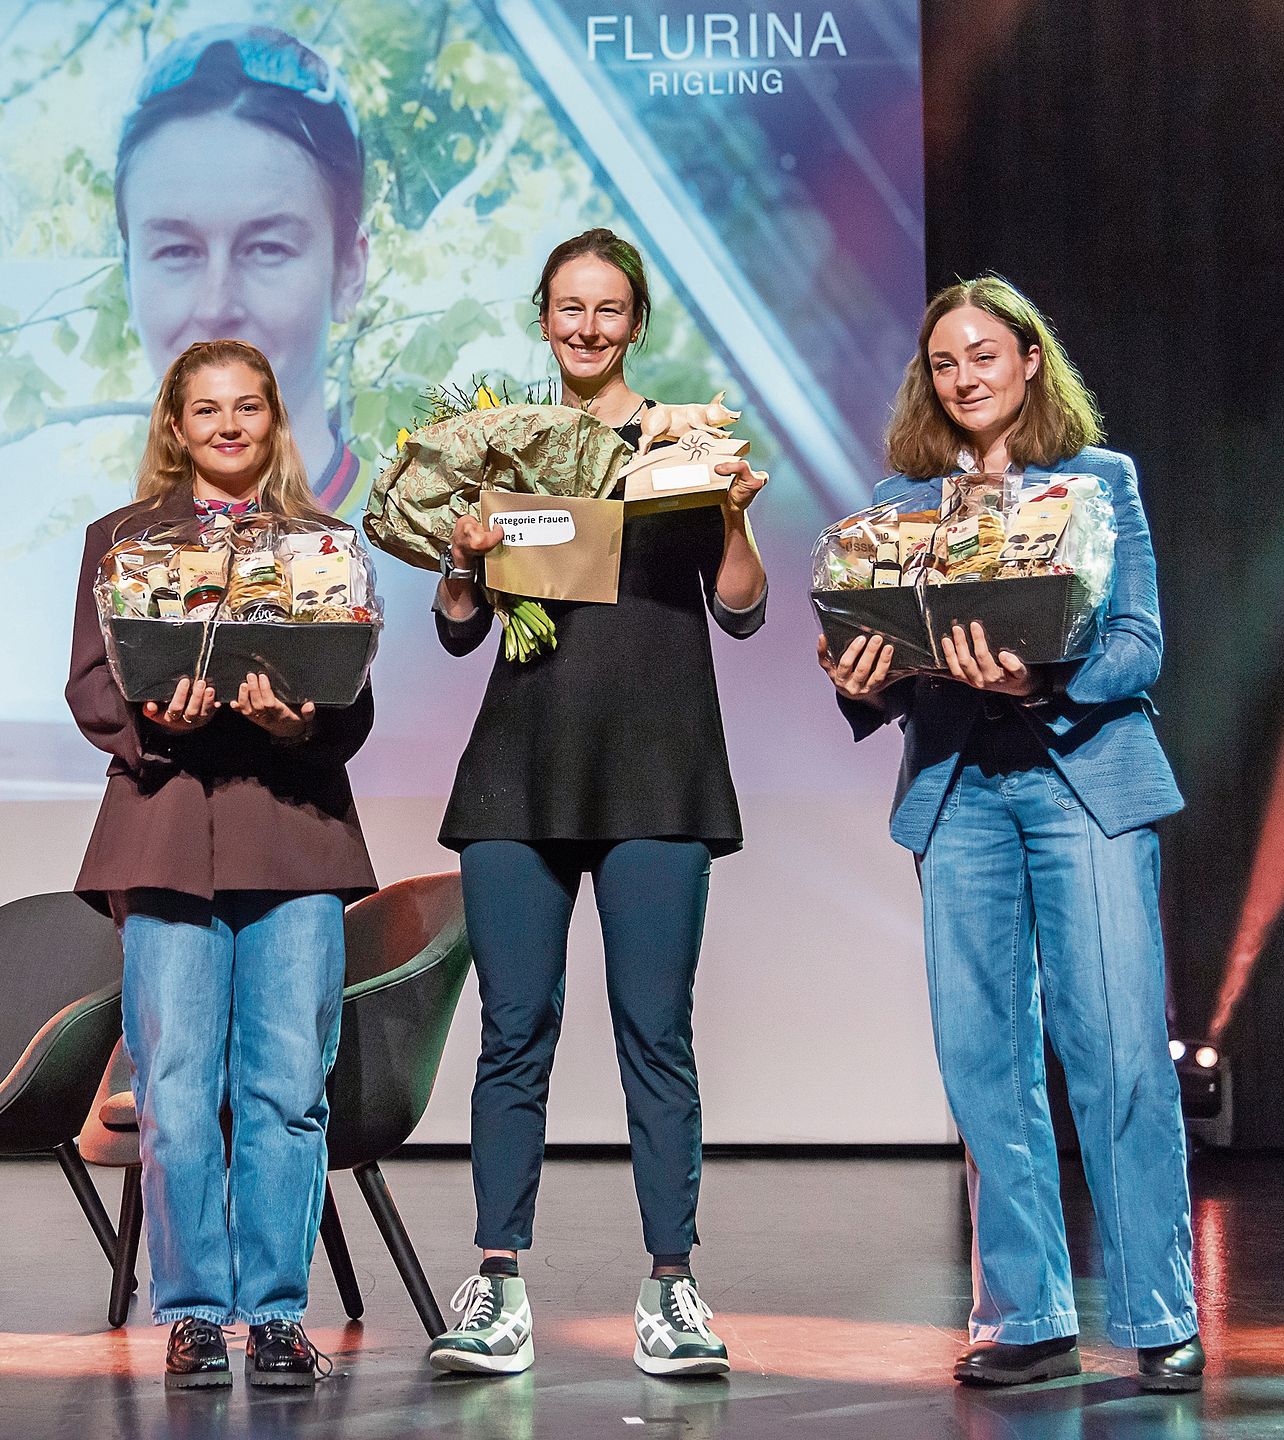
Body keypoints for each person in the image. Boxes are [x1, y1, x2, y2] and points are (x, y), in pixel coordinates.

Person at [818, 276, 1204, 1393]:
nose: (964, 378)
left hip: (1082, 781)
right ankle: (1027, 1315)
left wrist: (1042, 680)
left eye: (983, 355)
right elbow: (891, 654)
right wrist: (860, 677)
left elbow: (1138, 643)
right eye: (944, 363)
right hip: (961, 793)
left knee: (1118, 1051)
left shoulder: (1099, 480)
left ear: (1031, 359)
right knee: (982, 1059)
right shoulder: (902, 499)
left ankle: (1157, 1312)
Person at [426, 228, 767, 1377]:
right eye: (568, 307)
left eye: (608, 308)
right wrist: (463, 558)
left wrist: (733, 512)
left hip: (659, 769)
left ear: (636, 322)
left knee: (656, 1034)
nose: (587, 326)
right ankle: (496, 1286)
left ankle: (673, 1288)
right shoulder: (508, 447)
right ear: (543, 317)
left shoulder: (682, 444)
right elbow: (458, 626)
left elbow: (743, 611)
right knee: (512, 1032)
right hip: (520, 772)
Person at [66, 339, 376, 1389]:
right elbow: (92, 688)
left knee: (287, 1088)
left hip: (293, 836)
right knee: (177, 1089)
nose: (229, 425)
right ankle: (195, 1313)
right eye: (208, 409)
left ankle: (278, 1314)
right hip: (164, 835)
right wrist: (159, 718)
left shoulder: (325, 544)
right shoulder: (120, 542)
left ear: (274, 418)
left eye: (248, 407)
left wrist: (301, 721)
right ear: (177, 424)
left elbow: (351, 699)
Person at [114, 24, 369, 514]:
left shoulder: (429, 547)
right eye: (176, 251)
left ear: (349, 272)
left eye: (267, 248)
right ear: (128, 278)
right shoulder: (92, 550)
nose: (216, 307)